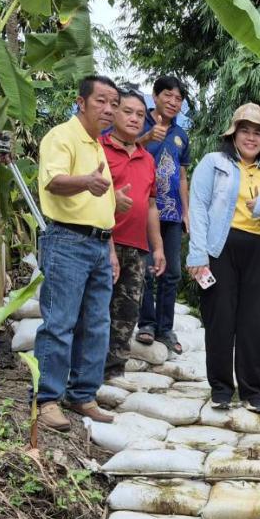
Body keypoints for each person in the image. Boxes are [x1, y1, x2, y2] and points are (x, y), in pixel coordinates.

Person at [32, 74, 119, 432]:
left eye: (113, 103)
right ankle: (48, 399)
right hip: (67, 241)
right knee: (60, 322)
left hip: (99, 243)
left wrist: (111, 250)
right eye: (101, 101)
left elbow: (103, 205)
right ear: (80, 102)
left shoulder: (98, 146)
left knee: (97, 324)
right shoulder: (62, 136)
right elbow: (53, 181)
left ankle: (82, 394)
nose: (109, 109)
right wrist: (85, 181)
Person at [186, 103, 260, 412]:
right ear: (234, 134)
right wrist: (197, 253)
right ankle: (221, 390)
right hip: (220, 248)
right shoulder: (214, 163)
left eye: (258, 133)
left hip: (257, 250)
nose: (251, 138)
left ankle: (253, 392)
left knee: (253, 323)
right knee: (220, 320)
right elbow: (198, 208)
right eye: (246, 131)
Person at [102, 87, 166, 379]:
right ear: (114, 112)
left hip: (137, 248)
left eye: (140, 114)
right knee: (97, 311)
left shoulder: (147, 159)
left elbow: (151, 205)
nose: (134, 118)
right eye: (127, 111)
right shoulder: (99, 149)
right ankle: (87, 374)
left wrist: (159, 247)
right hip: (102, 242)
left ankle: (114, 373)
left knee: (127, 314)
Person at [135, 75, 192, 353]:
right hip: (143, 209)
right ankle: (146, 323)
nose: (173, 102)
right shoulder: (138, 123)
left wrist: (187, 211)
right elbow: (123, 153)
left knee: (171, 273)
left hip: (171, 213)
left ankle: (165, 328)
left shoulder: (181, 135)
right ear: (155, 96)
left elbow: (182, 176)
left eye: (178, 98)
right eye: (168, 95)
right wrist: (146, 137)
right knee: (146, 269)